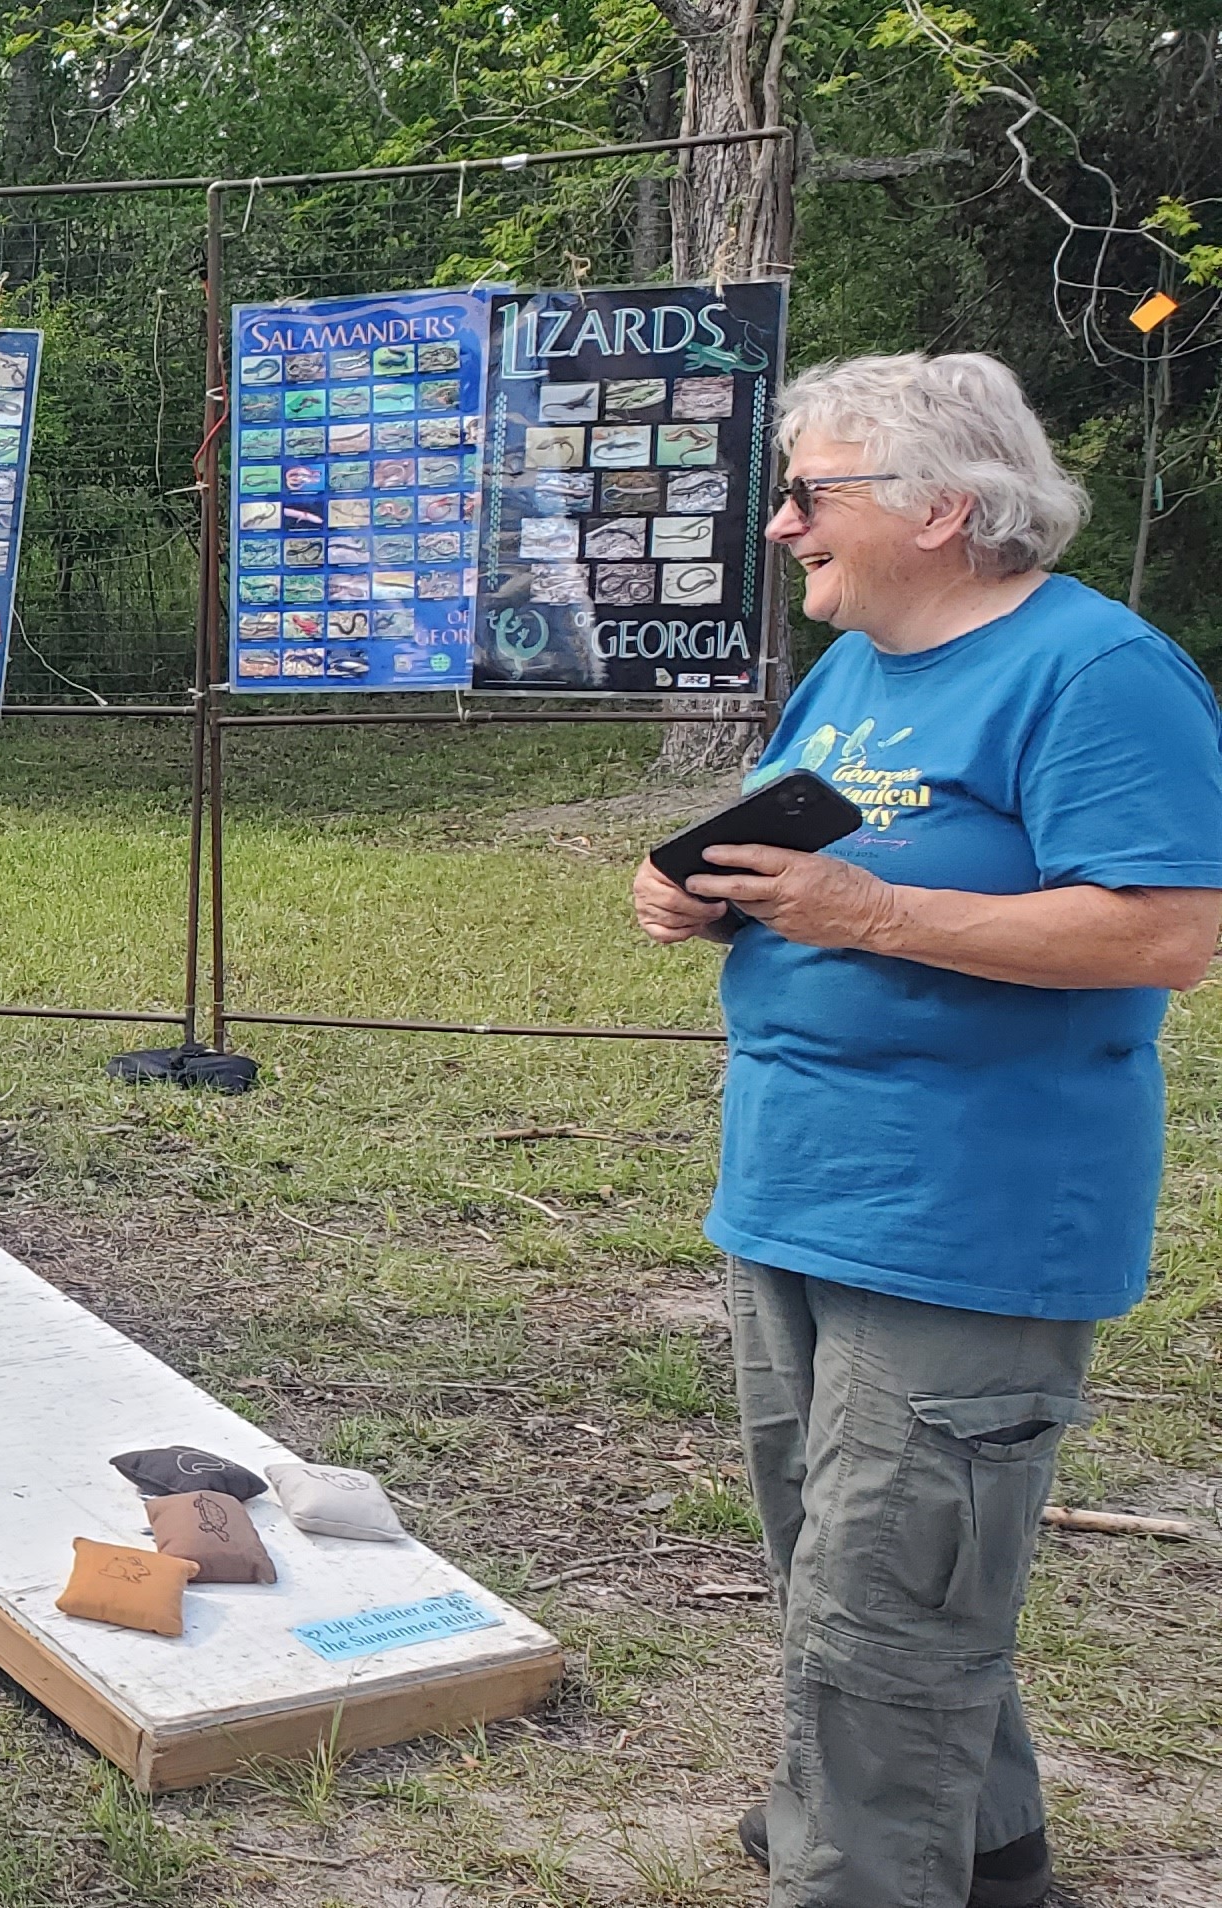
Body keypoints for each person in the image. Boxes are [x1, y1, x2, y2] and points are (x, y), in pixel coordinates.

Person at [629, 352, 1222, 1908]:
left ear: (944, 508)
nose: (779, 528)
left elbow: (1163, 932)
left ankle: (865, 1876)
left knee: (883, 1604)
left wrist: (873, 911)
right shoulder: (858, 671)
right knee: (849, 1565)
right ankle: (985, 1841)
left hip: (969, 1218)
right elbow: (794, 862)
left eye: (811, 493)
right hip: (799, 1188)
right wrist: (695, 896)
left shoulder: (1098, 674)